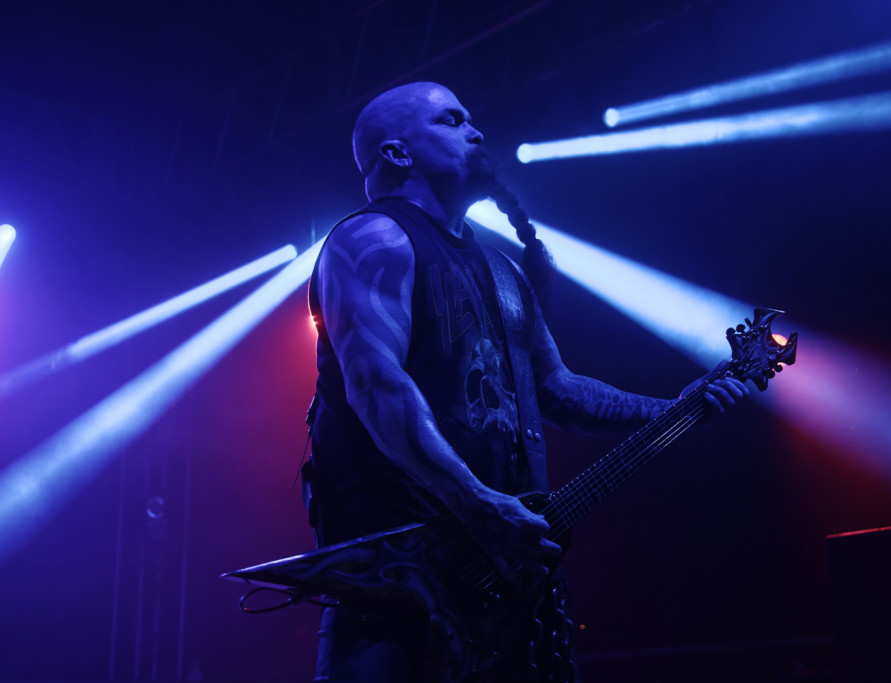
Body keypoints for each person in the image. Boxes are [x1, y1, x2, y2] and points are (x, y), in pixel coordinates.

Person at [304, 81, 749, 683]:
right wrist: (477, 503)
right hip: (401, 577)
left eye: (470, 117)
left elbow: (555, 388)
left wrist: (672, 409)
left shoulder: (503, 271)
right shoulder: (372, 241)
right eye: (451, 120)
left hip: (504, 577)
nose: (476, 130)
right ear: (398, 153)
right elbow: (376, 387)